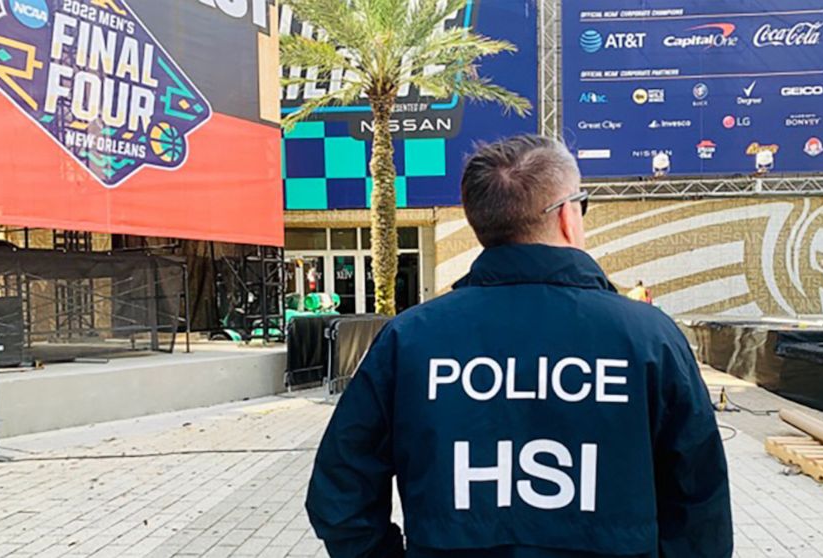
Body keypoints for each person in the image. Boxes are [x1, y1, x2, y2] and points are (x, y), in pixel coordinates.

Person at [305, 135, 732, 558]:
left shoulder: (410, 339)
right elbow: (699, 505)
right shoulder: (649, 338)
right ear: (567, 215)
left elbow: (341, 493)